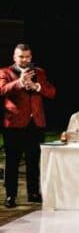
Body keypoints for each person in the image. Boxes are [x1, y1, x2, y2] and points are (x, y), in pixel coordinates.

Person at [0, 43, 56, 207]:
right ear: (14, 57)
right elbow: (2, 90)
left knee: (33, 161)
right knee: (12, 162)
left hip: (36, 124)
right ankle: (11, 196)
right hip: (14, 125)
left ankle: (33, 193)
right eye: (21, 57)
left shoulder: (39, 72)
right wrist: (19, 82)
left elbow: (52, 92)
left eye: (27, 57)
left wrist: (37, 86)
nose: (24, 60)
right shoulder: (5, 72)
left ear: (31, 57)